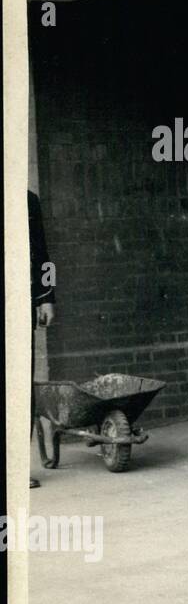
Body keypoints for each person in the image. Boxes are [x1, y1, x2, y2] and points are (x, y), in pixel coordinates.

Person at [29, 190, 55, 489]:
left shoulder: (28, 200)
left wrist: (47, 297)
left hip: (19, 300)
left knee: (19, 386)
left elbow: (42, 253)